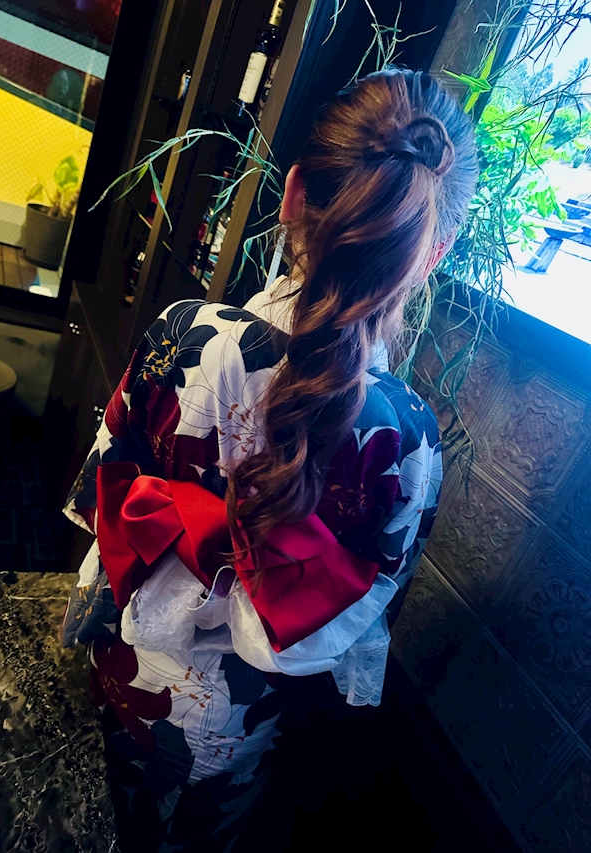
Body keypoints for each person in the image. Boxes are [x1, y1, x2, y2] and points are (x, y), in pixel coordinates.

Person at [61, 68, 478, 852]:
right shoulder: (411, 438)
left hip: (123, 658)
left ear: (291, 196)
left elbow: (101, 494)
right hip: (236, 722)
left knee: (84, 813)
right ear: (432, 255)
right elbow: (355, 629)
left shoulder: (185, 331)